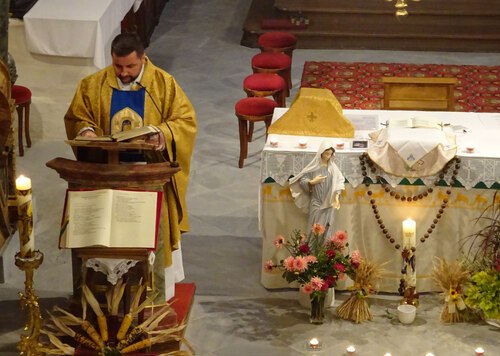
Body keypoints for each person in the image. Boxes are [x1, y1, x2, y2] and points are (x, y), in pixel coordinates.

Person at [64, 33, 197, 300]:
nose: (123, 73)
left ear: (143, 59)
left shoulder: (163, 84)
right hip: (106, 174)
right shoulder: (93, 84)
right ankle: (101, 293)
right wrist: (87, 131)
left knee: (148, 238)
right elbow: (78, 115)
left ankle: (154, 294)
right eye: (118, 66)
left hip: (148, 176)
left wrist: (161, 133)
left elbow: (185, 121)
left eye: (130, 67)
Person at [289, 141, 345, 235]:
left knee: (327, 228)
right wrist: (311, 182)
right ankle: (312, 248)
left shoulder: (333, 168)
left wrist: (336, 196)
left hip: (329, 203)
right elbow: (303, 180)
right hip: (316, 202)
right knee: (315, 227)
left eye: (330, 154)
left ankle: (325, 249)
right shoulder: (314, 167)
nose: (328, 156)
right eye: (327, 154)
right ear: (321, 153)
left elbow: (339, 181)